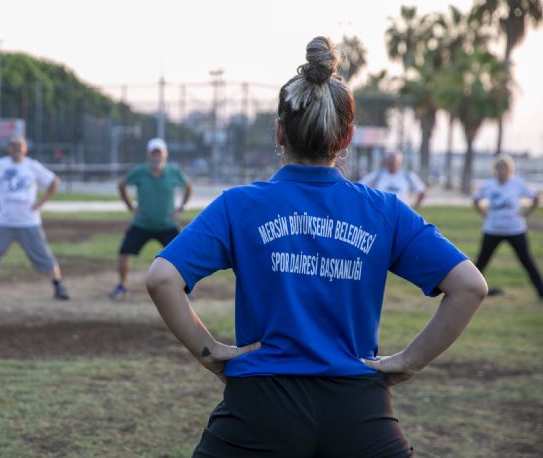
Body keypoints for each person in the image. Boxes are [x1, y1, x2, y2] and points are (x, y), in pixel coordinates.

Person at [146, 37, 487, 457]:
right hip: (358, 408)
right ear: (347, 138)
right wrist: (408, 361)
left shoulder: (239, 205)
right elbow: (470, 286)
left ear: (279, 131)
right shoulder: (384, 211)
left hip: (259, 407)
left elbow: (163, 278)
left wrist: (210, 352)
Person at [0, 135, 69, 300]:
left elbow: (54, 182)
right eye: (13, 145)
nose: (16, 148)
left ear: (25, 149)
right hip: (4, 220)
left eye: (19, 146)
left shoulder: (32, 166)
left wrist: (40, 202)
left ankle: (58, 286)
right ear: (8, 148)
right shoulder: (0, 165)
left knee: (43, 254)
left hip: (28, 221)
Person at [109, 137, 192, 300]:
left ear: (165, 155)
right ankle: (122, 286)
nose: (157, 156)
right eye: (154, 153)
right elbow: (122, 185)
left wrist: (181, 207)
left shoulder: (173, 171)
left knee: (183, 254)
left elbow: (188, 186)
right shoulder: (140, 171)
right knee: (124, 252)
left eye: (159, 153)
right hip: (142, 223)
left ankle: (186, 289)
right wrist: (130, 207)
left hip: (167, 224)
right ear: (148, 155)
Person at [473, 155, 543, 299]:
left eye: (504, 167)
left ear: (510, 169)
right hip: (492, 230)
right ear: (495, 170)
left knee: (527, 261)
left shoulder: (518, 183)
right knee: (481, 262)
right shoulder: (489, 184)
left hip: (515, 230)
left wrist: (527, 212)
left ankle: (541, 292)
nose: (501, 170)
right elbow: (476, 199)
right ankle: (469, 289)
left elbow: (535, 197)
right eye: (498, 167)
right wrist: (484, 214)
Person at [360, 150, 426, 209]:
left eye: (394, 161)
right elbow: (359, 187)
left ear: (399, 162)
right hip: (382, 213)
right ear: (385, 161)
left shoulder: (407, 176)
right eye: (389, 161)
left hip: (402, 213)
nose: (392, 163)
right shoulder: (377, 175)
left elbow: (422, 190)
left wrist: (414, 208)